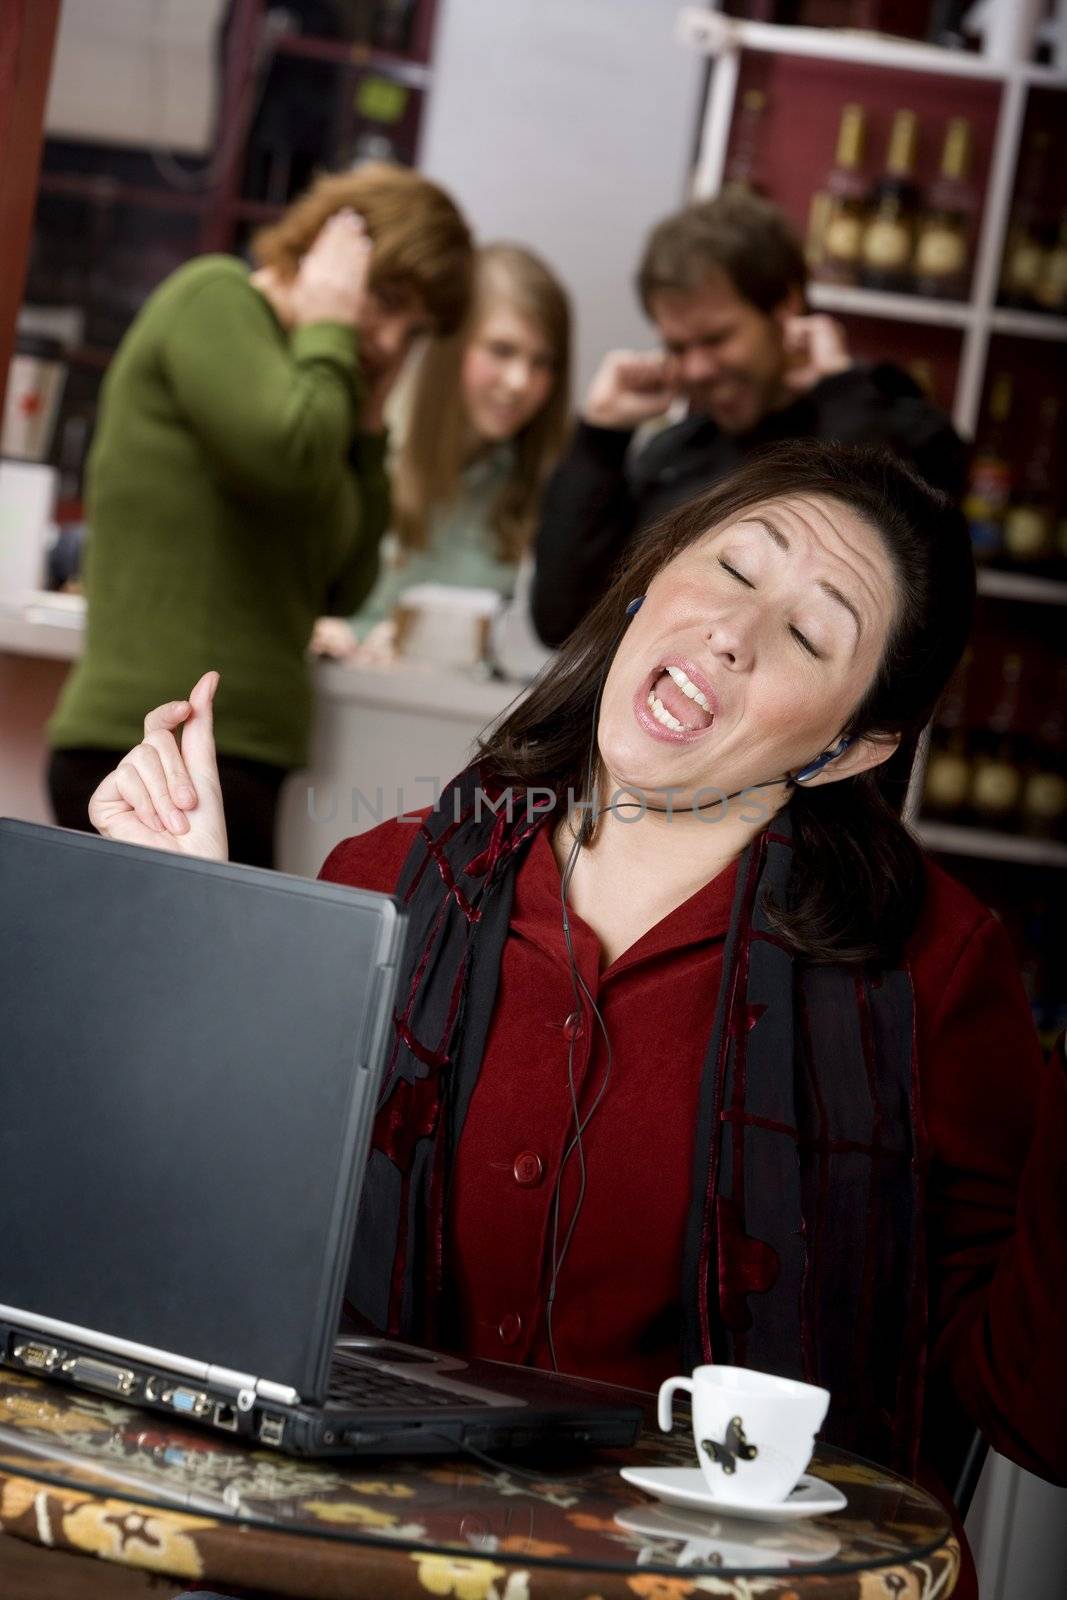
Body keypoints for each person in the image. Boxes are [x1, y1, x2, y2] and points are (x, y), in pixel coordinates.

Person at [87, 444, 1065, 1598]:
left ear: (848, 748)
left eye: (809, 636)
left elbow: (1028, 1405)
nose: (733, 632)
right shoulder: (387, 877)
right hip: (349, 1560)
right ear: (651, 581)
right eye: (733, 568)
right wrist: (196, 928)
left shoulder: (931, 976)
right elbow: (212, 1267)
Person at [47, 164, 472, 866]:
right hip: (146, 750)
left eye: (415, 329)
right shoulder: (215, 301)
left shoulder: (318, 387)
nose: (393, 341)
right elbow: (290, 460)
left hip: (234, 754)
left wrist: (367, 428)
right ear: (329, 253)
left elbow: (344, 584)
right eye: (388, 298)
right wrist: (333, 328)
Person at [532, 189, 968, 647]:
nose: (696, 368)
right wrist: (600, 436)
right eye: (678, 348)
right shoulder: (675, 452)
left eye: (717, 338)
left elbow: (897, 595)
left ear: (785, 307)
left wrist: (842, 396)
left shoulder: (901, 427)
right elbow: (562, 621)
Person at [311, 242, 571, 666]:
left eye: (542, 362)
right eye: (501, 350)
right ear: (450, 349)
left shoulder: (546, 480)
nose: (520, 381)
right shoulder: (364, 445)